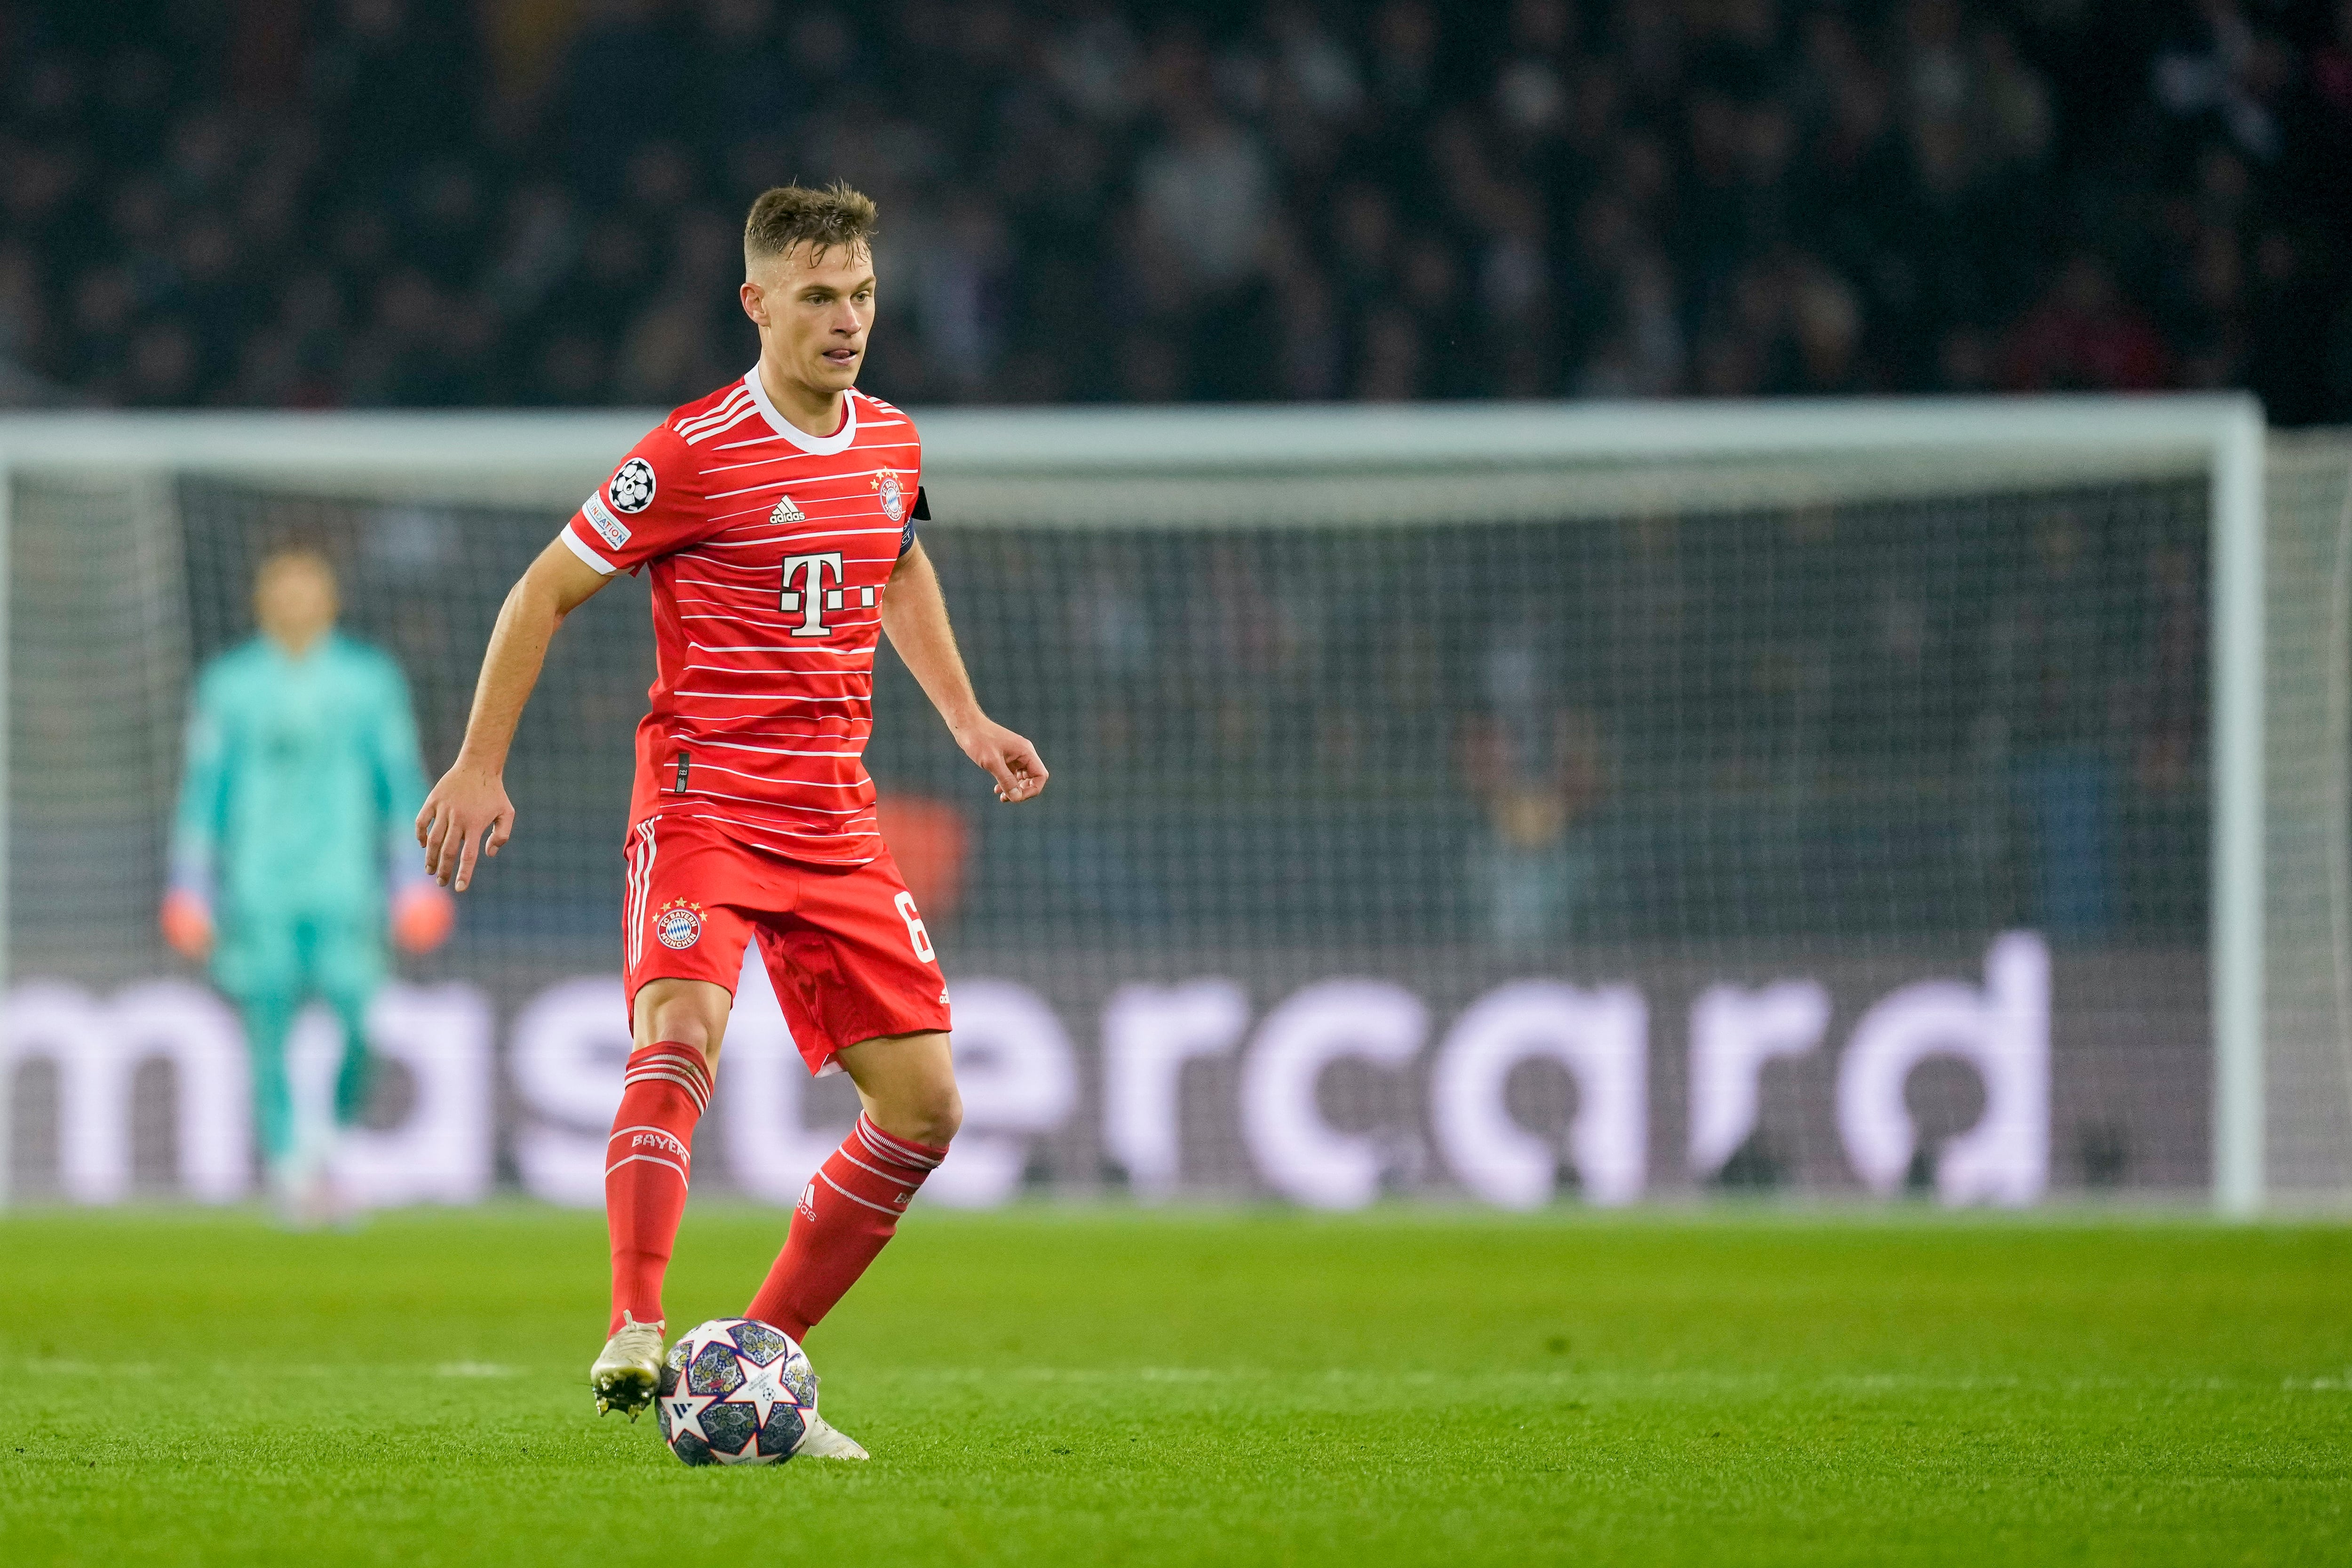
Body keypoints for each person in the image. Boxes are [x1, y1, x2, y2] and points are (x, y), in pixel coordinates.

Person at [414, 182, 1049, 1457]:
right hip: (706, 802)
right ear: (757, 302)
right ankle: (636, 1320)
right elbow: (541, 590)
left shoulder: (891, 442)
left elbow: (899, 564)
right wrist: (481, 761)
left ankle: (755, 1364)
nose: (849, 319)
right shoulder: (692, 452)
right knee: (683, 1025)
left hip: (836, 818)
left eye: (864, 294)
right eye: (820, 296)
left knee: (926, 1109)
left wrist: (968, 718)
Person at [163, 547, 455, 1221]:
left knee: (359, 1018)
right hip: (258, 884)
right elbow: (203, 793)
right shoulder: (228, 684)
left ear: (331, 600)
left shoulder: (369, 680)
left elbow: (400, 781)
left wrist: (415, 882)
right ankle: (292, 1170)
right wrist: (189, 887)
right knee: (266, 1029)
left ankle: (326, 1143)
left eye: (308, 588)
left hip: (344, 883)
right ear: (262, 600)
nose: (295, 601)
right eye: (282, 589)